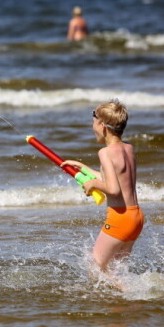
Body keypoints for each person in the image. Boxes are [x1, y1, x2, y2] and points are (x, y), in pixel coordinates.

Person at [61, 100, 143, 273]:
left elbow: (113, 189)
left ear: (102, 125)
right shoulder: (128, 148)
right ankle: (131, 298)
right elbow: (117, 180)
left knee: (95, 267)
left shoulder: (104, 152)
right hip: (136, 217)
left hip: (119, 219)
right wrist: (84, 168)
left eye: (93, 122)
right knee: (116, 270)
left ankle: (131, 297)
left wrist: (93, 183)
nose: (92, 127)